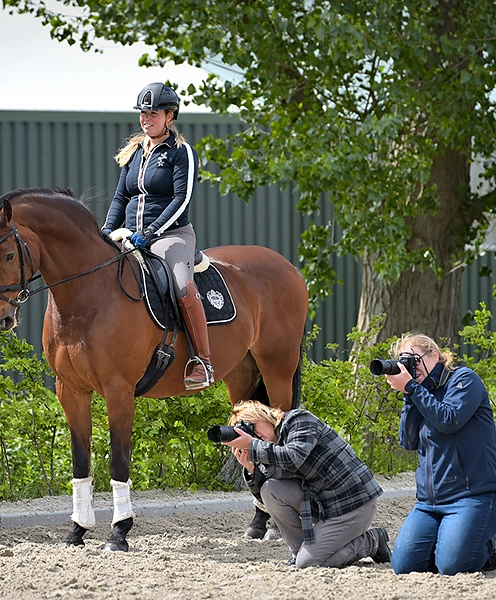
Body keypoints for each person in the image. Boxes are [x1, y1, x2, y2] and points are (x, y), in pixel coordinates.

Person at [102, 82, 214, 390]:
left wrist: (151, 232)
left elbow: (182, 198)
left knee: (180, 283)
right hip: (131, 235)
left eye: (153, 113)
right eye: (143, 113)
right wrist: (107, 230)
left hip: (171, 236)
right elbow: (120, 198)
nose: (146, 119)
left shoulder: (181, 153)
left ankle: (202, 361)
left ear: (169, 115)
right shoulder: (134, 153)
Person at [384, 333, 496, 575]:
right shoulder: (419, 393)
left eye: (415, 359)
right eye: (405, 361)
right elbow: (407, 441)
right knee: (404, 566)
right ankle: (452, 540)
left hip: (473, 496)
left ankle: (490, 548)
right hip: (430, 504)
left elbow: (449, 419)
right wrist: (410, 396)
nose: (411, 366)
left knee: (453, 567)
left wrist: (411, 386)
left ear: (435, 355)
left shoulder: (463, 379)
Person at [223, 400, 391, 568]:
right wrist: (252, 469)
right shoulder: (267, 448)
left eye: (252, 425)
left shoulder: (299, 420)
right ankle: (299, 552)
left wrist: (252, 445)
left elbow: (293, 458)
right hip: (323, 506)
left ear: (265, 416)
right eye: (247, 432)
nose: (254, 435)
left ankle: (372, 541)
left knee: (309, 563)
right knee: (270, 489)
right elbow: (266, 500)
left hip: (353, 505)